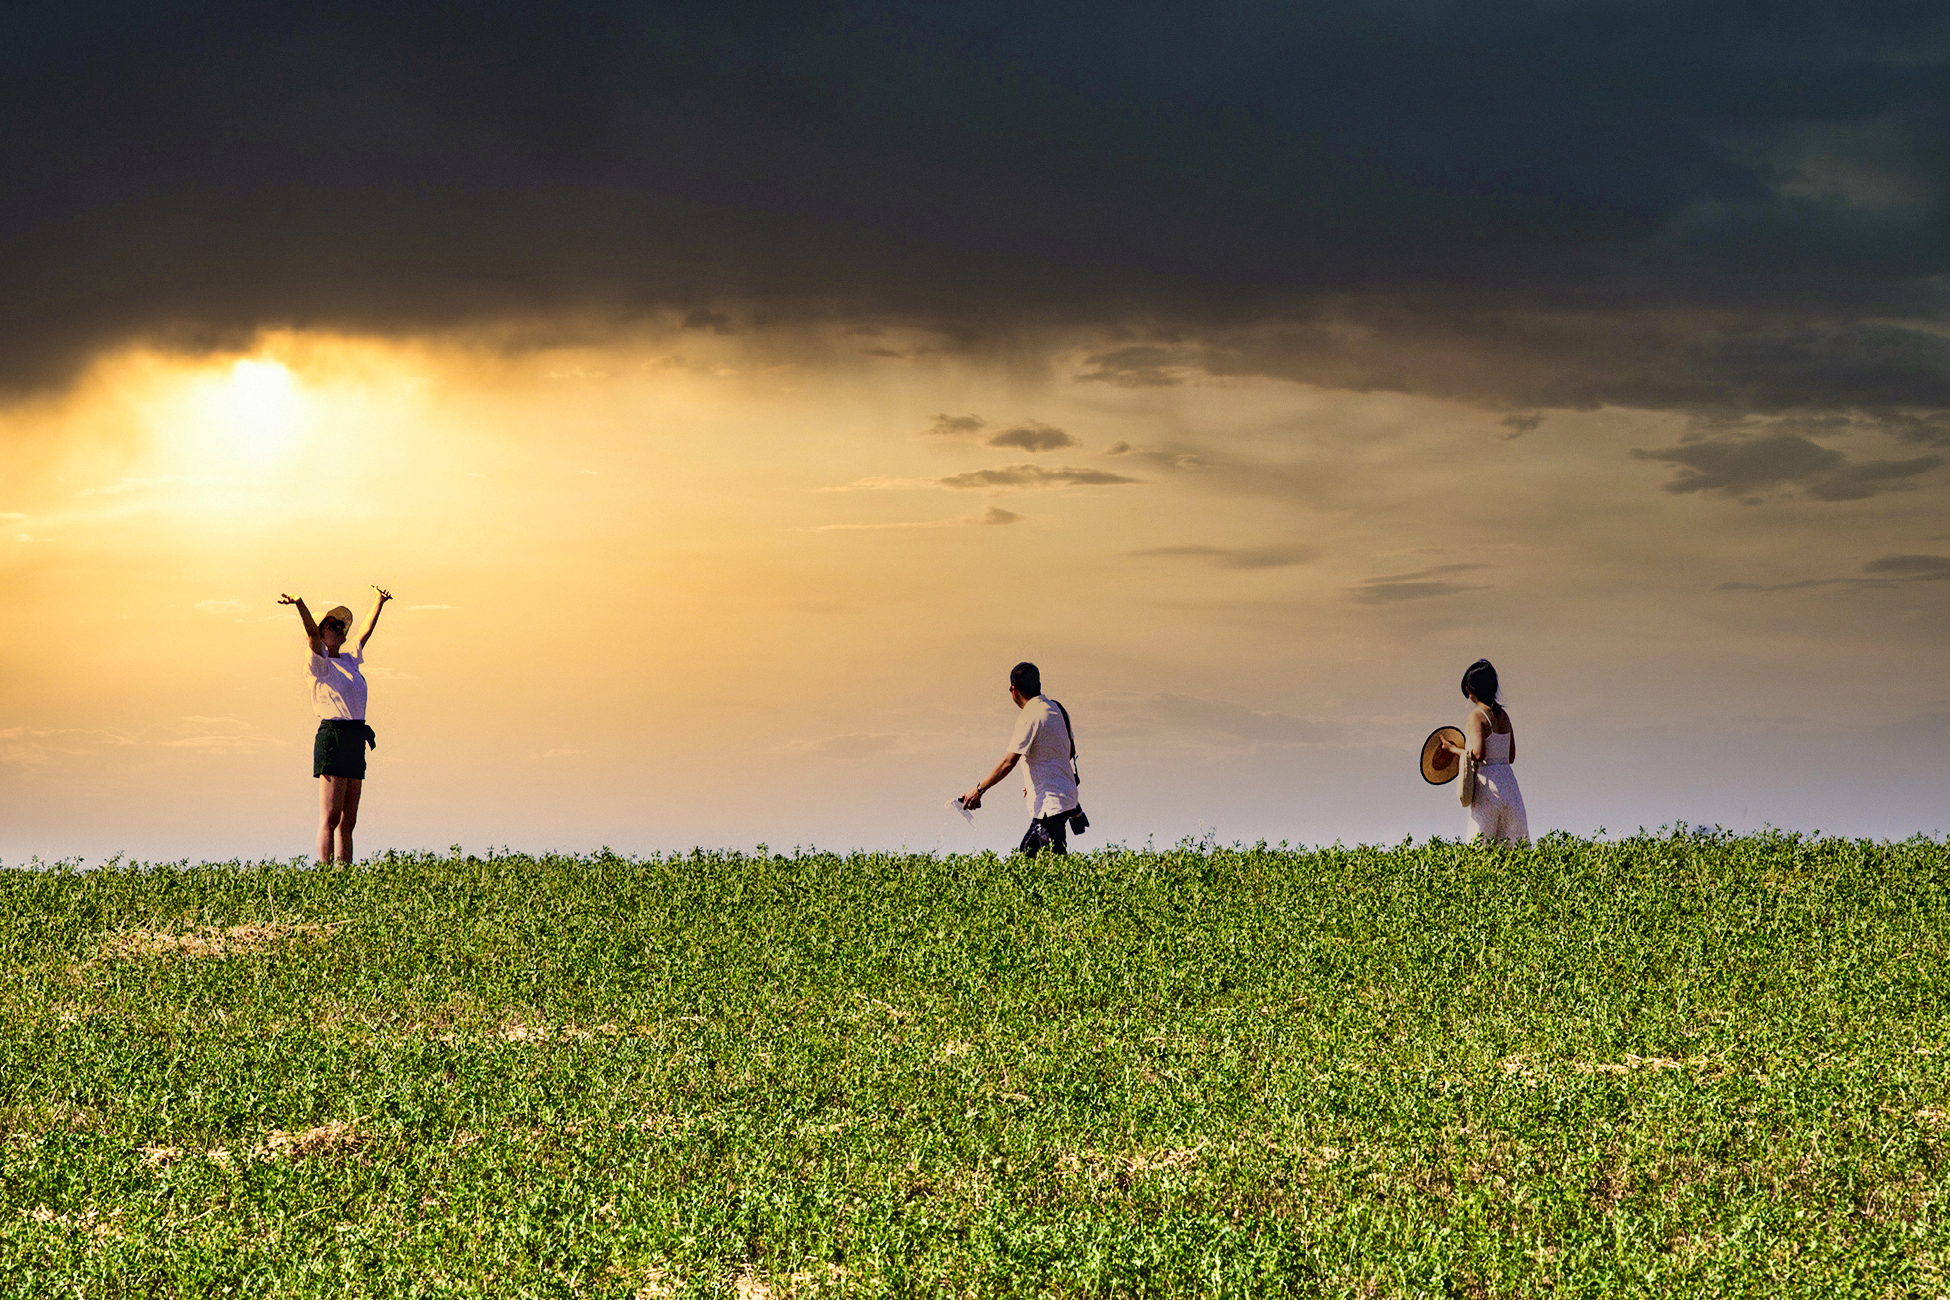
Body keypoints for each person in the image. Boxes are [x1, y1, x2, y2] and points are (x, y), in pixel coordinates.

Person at [277, 587, 392, 863]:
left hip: (355, 736)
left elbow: (365, 631)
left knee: (348, 820)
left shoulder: (350, 659)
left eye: (341, 625)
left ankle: (345, 875)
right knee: (330, 817)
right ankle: (326, 876)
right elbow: (312, 634)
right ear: (320, 631)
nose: (339, 628)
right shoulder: (320, 663)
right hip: (334, 736)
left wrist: (379, 601)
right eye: (332, 625)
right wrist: (299, 604)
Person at [959, 661, 1085, 855]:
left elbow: (1008, 762)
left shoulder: (1030, 716)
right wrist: (1038, 777)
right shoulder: (1058, 709)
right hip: (1067, 799)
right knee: (1052, 864)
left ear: (1014, 690)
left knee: (1028, 859)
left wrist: (979, 790)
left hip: (1049, 807)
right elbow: (1068, 751)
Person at [1443, 657, 1529, 845]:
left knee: (1481, 842)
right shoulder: (1503, 715)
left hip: (1487, 784)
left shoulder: (1476, 716)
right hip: (1508, 782)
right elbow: (1511, 755)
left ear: (1470, 690)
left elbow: (1479, 754)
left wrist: (1453, 749)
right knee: (1511, 844)